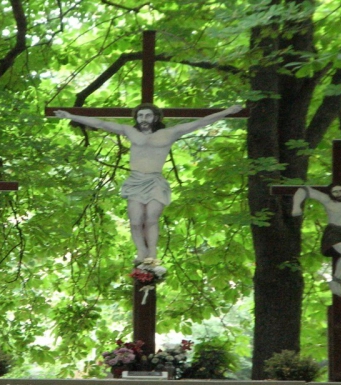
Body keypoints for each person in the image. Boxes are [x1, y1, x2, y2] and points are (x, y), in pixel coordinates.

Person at [54, 103, 242, 264]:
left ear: (155, 117)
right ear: (136, 118)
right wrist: (71, 116)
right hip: (135, 181)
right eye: (140, 115)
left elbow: (201, 122)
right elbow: (101, 123)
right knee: (136, 221)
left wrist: (227, 111)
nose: (144, 118)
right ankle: (141, 252)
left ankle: (152, 254)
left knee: (151, 218)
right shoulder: (130, 131)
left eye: (148, 115)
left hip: (155, 182)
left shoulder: (170, 133)